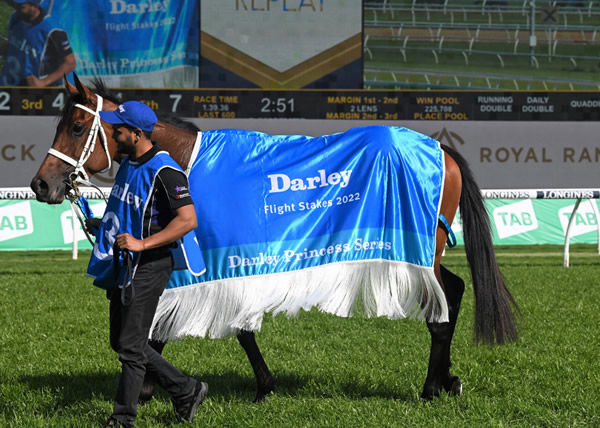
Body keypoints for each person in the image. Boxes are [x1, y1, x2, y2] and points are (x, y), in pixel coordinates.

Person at [86, 101, 208, 427]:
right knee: (122, 341)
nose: (114, 132)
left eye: (119, 128)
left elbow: (188, 219)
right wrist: (103, 225)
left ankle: (122, 418)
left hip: (152, 264)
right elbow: (133, 211)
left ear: (137, 134)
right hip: (126, 263)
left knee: (130, 347)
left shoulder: (167, 172)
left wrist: (142, 243)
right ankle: (186, 388)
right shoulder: (128, 164)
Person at [0, 0, 76, 86]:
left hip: (39, 91)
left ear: (34, 4)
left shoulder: (52, 30)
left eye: (22, 6)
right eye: (15, 4)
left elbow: (70, 63)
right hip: (9, 83)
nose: (16, 7)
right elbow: (14, 46)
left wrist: (43, 82)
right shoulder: (16, 18)